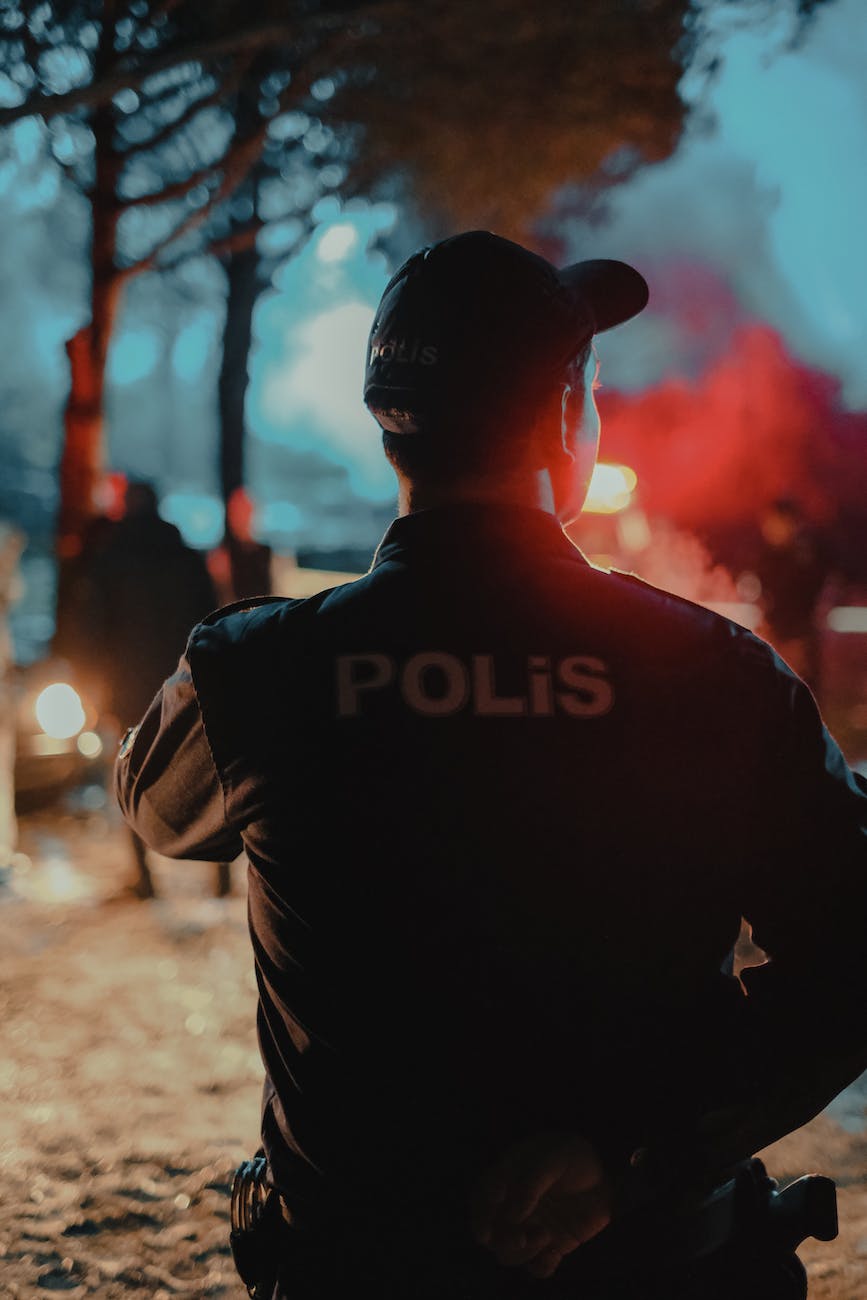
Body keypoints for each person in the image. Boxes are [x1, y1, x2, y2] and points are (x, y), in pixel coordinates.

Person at [115, 232, 867, 1298]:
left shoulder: (257, 670)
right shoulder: (715, 676)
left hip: (358, 1268)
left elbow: (156, 809)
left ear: (390, 423)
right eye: (589, 389)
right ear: (565, 415)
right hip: (650, 1266)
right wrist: (632, 1150)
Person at [78, 481, 223, 898]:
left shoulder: (111, 558)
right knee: (208, 770)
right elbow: (212, 617)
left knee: (131, 773)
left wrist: (96, 685)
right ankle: (220, 875)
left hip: (129, 685)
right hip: (186, 682)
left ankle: (144, 877)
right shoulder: (186, 557)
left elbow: (94, 627)